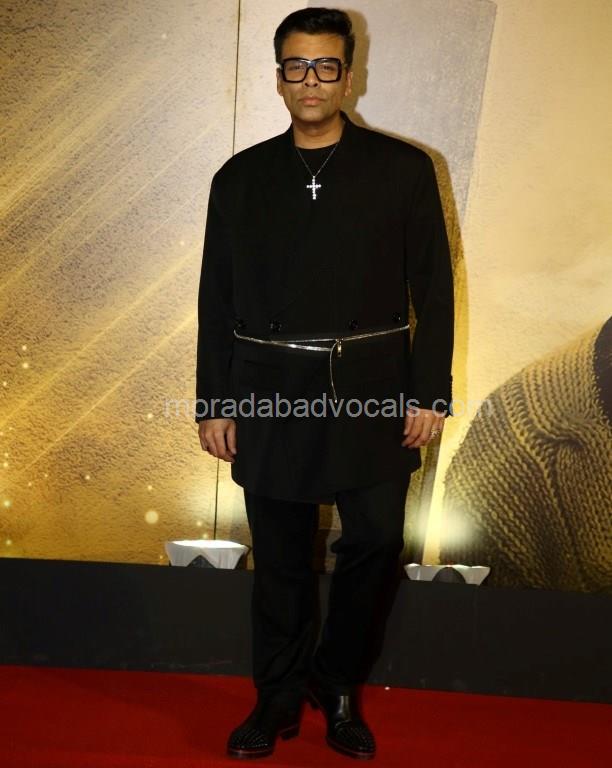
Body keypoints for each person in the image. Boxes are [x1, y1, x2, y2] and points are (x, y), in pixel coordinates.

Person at [195, 7, 454, 760]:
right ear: (279, 77)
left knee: (374, 542)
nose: (311, 80)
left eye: (326, 66)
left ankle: (336, 685)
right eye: (297, 66)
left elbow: (433, 291)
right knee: (279, 559)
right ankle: (275, 696)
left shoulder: (404, 170)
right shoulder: (240, 179)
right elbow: (216, 299)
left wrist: (428, 393)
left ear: (349, 75)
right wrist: (214, 401)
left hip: (373, 390)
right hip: (269, 390)